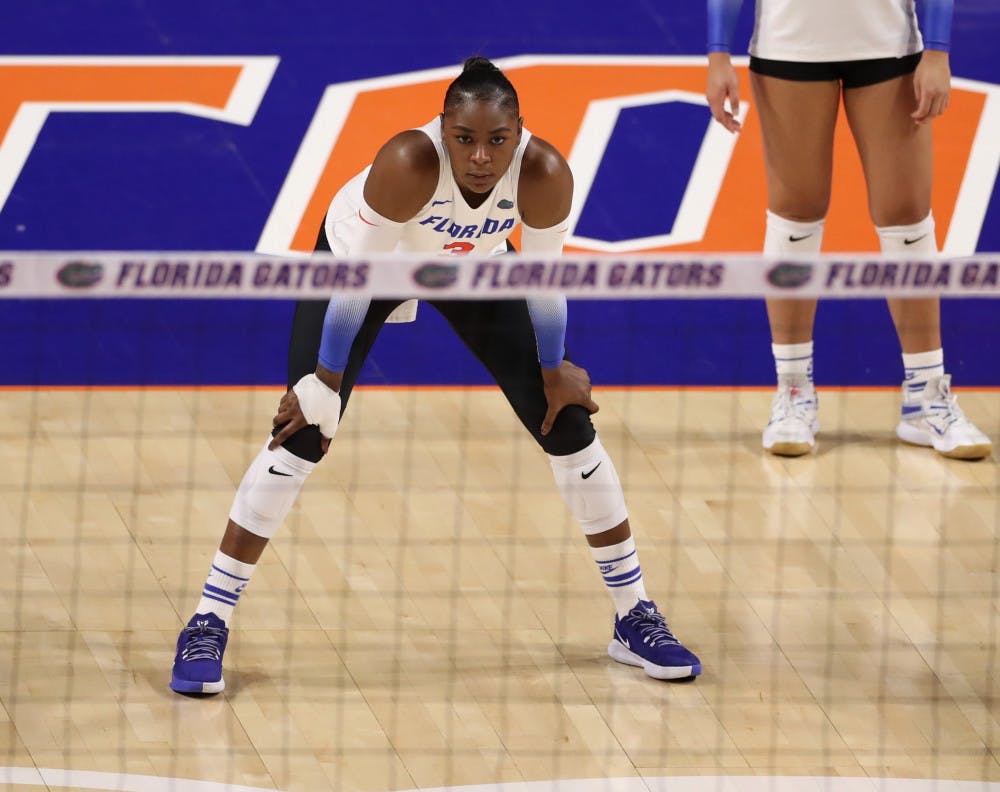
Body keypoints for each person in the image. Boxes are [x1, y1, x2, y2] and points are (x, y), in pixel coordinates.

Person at [169, 57, 701, 694]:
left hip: (472, 267)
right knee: (303, 435)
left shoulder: (543, 172)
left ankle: (633, 615)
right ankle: (209, 619)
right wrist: (324, 384)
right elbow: (355, 285)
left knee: (567, 427)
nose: (480, 156)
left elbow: (544, 282)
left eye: (497, 140)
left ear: (519, 132)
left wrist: (554, 367)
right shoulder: (408, 162)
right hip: (364, 269)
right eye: (465, 138)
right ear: (443, 129)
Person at [705, 0, 992, 459]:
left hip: (888, 45)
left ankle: (926, 399)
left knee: (906, 216)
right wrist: (718, 53)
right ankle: (794, 392)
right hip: (790, 46)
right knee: (795, 214)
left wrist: (937, 50)